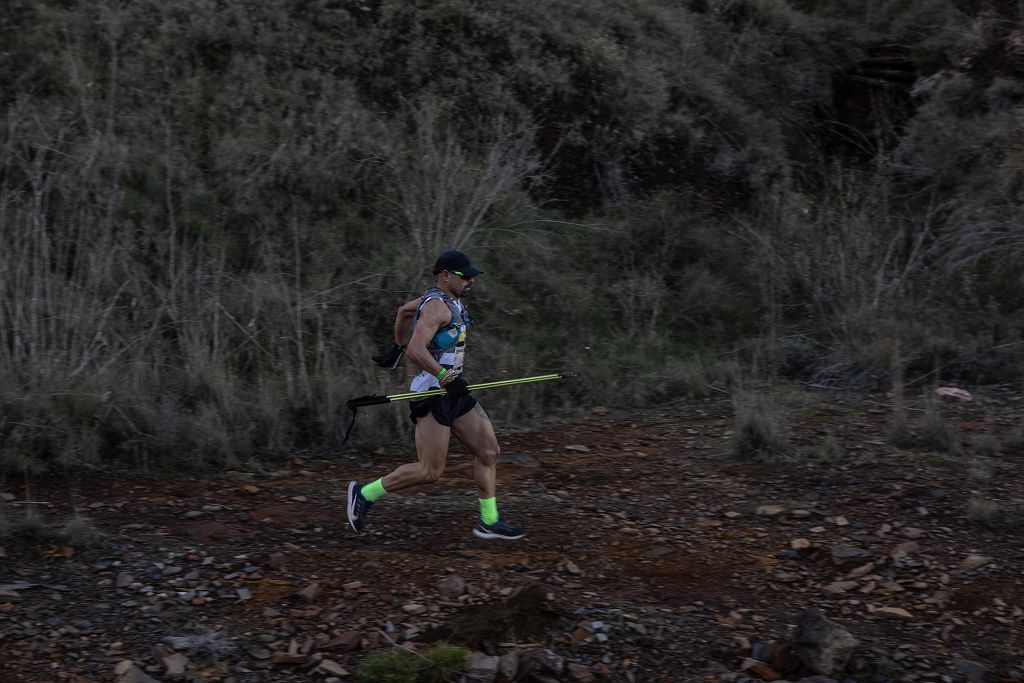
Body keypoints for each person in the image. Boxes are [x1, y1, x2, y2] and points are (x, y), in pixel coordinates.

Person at [346, 249, 525, 540]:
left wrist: (396, 345)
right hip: (433, 393)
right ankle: (364, 494)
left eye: (472, 276)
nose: (470, 281)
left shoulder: (446, 300)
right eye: (464, 276)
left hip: (454, 389)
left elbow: (404, 310)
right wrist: (431, 367)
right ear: (445, 276)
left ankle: (489, 521)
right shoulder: (436, 307)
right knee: (430, 471)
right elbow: (418, 349)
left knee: (489, 452)